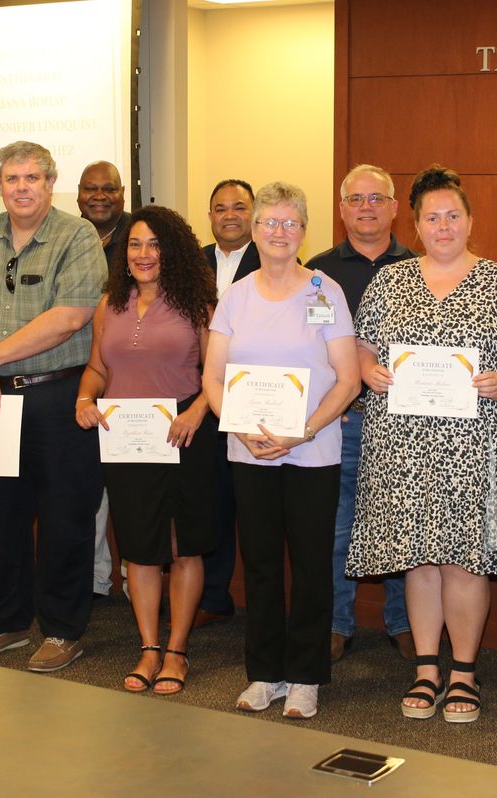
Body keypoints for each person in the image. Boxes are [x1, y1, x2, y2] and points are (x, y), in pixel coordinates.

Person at [346, 164, 497, 723]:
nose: (443, 226)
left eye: (452, 216)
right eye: (432, 217)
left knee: (466, 562)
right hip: (404, 443)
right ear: (415, 225)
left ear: (469, 222)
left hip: (479, 442)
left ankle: (463, 671)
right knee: (417, 560)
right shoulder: (390, 282)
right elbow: (360, 349)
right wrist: (368, 372)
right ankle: (425, 668)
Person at [0, 141, 105, 670]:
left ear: (50, 182)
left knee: (65, 517)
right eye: (12, 178)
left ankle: (62, 629)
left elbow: (72, 316)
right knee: (0, 515)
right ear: (0, 185)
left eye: (32, 177)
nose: (22, 187)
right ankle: (7, 622)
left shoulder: (76, 234)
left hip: (59, 396)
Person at [203, 181, 360, 719]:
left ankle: (307, 677)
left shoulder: (326, 292)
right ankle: (265, 673)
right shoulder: (236, 296)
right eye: (269, 222)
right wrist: (239, 425)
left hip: (311, 453)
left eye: (290, 223)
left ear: (303, 231)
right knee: (263, 565)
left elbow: (349, 380)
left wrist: (305, 431)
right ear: (254, 228)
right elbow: (212, 379)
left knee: (313, 565)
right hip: (250, 453)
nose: (278, 232)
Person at [76, 205, 217, 694]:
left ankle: (177, 651)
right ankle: (149, 647)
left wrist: (197, 412)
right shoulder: (108, 304)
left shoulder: (198, 305)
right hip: (126, 440)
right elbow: (97, 369)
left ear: (172, 250)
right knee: (138, 548)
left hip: (182, 435)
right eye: (135, 244)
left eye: (154, 244)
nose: (143, 253)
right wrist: (83, 398)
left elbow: (218, 377)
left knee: (181, 547)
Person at [305, 164, 415, 662]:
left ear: (395, 208)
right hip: (342, 421)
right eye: (355, 199)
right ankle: (335, 622)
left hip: (407, 425)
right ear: (342, 208)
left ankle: (405, 622)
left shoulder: (419, 268)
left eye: (377, 198)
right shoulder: (319, 273)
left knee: (404, 523)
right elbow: (309, 347)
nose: (366, 207)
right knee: (335, 526)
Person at [198, 178, 259, 628]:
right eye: (221, 208)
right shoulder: (192, 262)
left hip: (258, 403)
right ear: (211, 216)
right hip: (204, 401)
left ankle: (262, 602)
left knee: (255, 510)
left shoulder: (276, 261)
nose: (230, 215)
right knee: (212, 504)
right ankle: (213, 597)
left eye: (239, 206)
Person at [77, 160, 131, 600]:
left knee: (133, 491)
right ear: (77, 195)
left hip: (135, 383)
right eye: (90, 189)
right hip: (80, 380)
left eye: (108, 188)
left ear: (122, 193)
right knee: (86, 489)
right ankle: (94, 578)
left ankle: (137, 578)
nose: (99, 195)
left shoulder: (141, 236)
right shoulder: (64, 236)